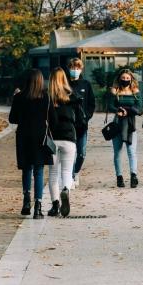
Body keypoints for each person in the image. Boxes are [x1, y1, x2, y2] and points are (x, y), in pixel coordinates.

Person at [8, 69, 53, 219]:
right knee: (39, 171)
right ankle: (38, 206)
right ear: (40, 81)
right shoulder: (46, 97)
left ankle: (26, 200)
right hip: (40, 136)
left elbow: (12, 119)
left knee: (26, 169)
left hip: (23, 136)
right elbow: (51, 117)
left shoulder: (19, 97)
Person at [46, 68, 85, 217]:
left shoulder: (48, 98)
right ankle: (66, 190)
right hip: (69, 137)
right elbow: (81, 119)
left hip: (52, 139)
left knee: (53, 173)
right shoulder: (73, 97)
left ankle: (55, 205)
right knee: (67, 171)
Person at [106, 68, 143, 188]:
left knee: (131, 152)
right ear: (119, 79)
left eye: (127, 78)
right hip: (117, 124)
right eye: (123, 78)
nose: (125, 80)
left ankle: (133, 176)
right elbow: (110, 105)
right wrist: (118, 110)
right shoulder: (115, 91)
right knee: (117, 152)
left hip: (131, 125)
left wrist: (129, 111)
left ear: (131, 79)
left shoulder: (135, 92)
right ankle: (119, 177)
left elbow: (140, 108)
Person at [67, 58, 95, 188]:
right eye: (73, 67)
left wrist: (86, 117)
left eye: (77, 68)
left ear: (81, 69)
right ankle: (71, 176)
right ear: (69, 68)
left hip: (82, 125)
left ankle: (76, 171)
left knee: (81, 153)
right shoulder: (65, 84)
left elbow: (91, 104)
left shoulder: (86, 84)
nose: (75, 70)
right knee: (70, 153)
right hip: (68, 125)